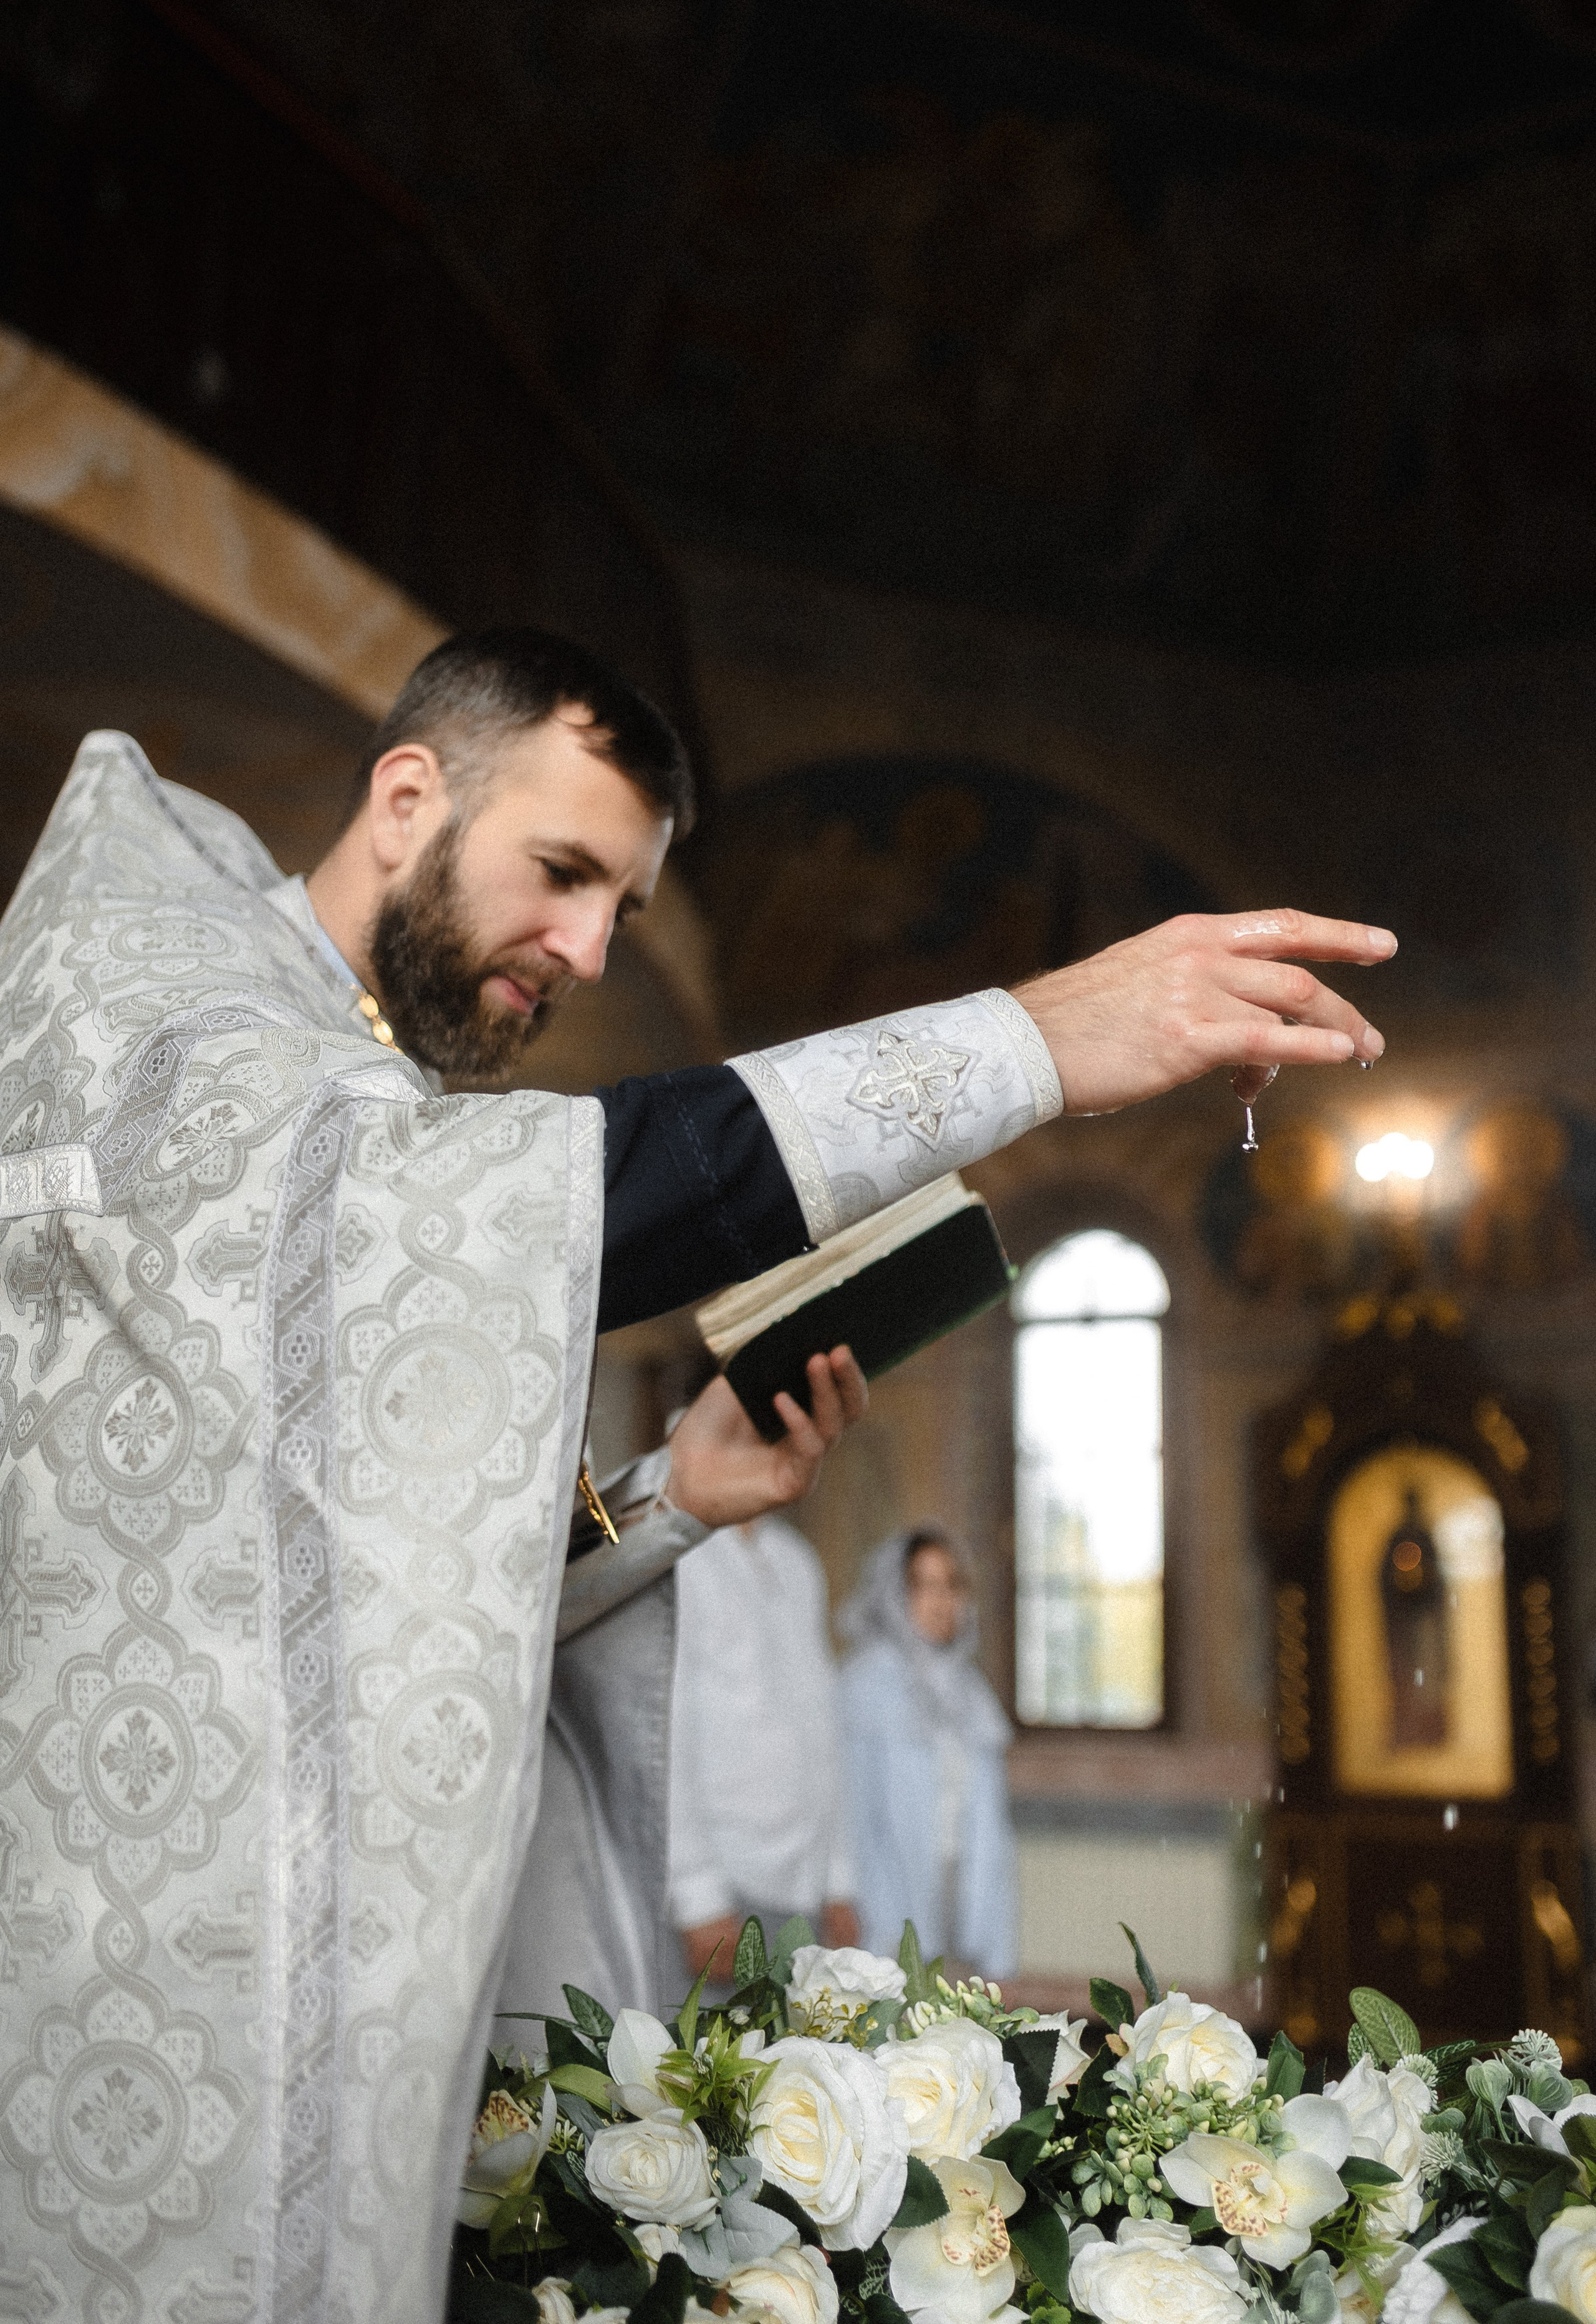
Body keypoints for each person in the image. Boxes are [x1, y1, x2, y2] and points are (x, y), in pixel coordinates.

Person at [0, 624, 1393, 2324]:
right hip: (144, 1996)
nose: (586, 949)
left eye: (626, 911)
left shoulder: (342, 1092)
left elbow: (335, 1622)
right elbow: (564, 1193)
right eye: (563, 871)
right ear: (407, 794)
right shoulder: (181, 1012)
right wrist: (1034, 1042)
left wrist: (668, 1497)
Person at [666, 1506, 858, 1990]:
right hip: (722, 1888)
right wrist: (698, 1896)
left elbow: (821, 1729)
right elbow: (666, 1731)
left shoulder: (795, 1559)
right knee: (707, 2061)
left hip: (803, 1883)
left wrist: (837, 1880)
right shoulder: (679, 1557)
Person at [840, 1528, 1017, 1979]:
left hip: (960, 1910)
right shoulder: (864, 1686)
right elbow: (851, 1819)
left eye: (952, 1585)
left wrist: (999, 1952)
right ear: (895, 1594)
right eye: (924, 1585)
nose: (942, 1602)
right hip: (882, 1921)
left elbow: (992, 1840)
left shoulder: (971, 1693)